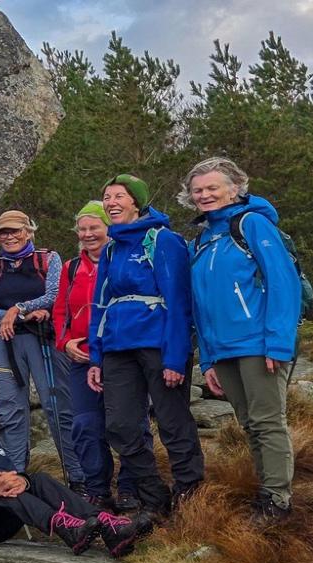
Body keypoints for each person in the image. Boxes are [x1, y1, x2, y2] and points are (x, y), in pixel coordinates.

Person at [183, 157, 304, 525]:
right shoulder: (202, 239)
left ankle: (277, 502)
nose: (204, 195)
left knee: (267, 421)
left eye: (212, 188)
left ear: (235, 189)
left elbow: (284, 283)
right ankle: (266, 494)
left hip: (258, 343)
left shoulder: (251, 224)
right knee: (250, 424)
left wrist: (278, 344)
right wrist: (208, 359)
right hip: (223, 351)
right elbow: (200, 305)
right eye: (198, 190)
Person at [0, 382, 151, 556]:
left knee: (37, 479)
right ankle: (66, 528)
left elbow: (7, 471)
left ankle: (108, 527)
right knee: (3, 492)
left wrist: (22, 481)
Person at [90, 174, 205, 516]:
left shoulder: (164, 240)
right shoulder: (111, 247)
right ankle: (154, 496)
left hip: (158, 343)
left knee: (172, 421)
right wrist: (96, 357)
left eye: (118, 196)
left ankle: (190, 492)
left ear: (136, 202)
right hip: (117, 347)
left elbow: (179, 301)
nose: (111, 202)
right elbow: (100, 304)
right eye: (107, 197)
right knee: (121, 426)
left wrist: (175, 357)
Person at [0, 211, 68, 478]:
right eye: (3, 232)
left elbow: (54, 294)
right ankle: (15, 477)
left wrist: (18, 310)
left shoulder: (48, 259)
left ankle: (78, 476)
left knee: (57, 407)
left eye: (15, 231)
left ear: (29, 232)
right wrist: (21, 315)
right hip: (3, 343)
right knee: (10, 411)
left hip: (43, 339)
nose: (10, 236)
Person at [51, 202, 126, 511]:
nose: (87, 234)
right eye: (82, 229)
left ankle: (133, 489)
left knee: (125, 423)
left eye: (94, 227)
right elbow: (60, 311)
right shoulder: (71, 268)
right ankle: (97, 490)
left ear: (108, 227)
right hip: (80, 359)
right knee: (84, 424)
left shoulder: (123, 259)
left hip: (120, 356)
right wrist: (64, 342)